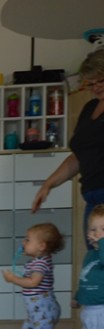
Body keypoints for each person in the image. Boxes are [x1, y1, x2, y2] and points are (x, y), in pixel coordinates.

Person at [32, 49, 104, 239]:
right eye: (91, 83)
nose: (96, 87)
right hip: (92, 198)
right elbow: (79, 156)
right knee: (94, 255)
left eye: (101, 81)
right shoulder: (89, 108)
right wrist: (48, 185)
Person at [1, 223, 66, 329]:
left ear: (41, 246)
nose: (23, 242)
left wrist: (13, 279)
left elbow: (33, 283)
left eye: (28, 240)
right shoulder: (36, 261)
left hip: (44, 310)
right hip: (37, 311)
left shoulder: (40, 264)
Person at [72, 204, 104, 329]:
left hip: (101, 310)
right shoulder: (90, 255)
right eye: (93, 229)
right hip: (88, 310)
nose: (97, 233)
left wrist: (102, 243)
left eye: (103, 229)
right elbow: (85, 277)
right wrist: (78, 296)